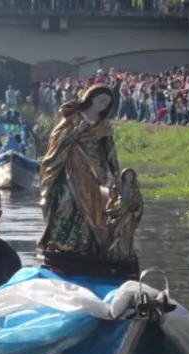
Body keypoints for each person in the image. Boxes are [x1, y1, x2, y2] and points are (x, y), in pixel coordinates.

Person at [37, 84, 120, 260]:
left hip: (91, 173)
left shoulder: (103, 126)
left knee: (89, 208)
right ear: (90, 99)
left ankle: (84, 246)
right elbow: (57, 140)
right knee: (66, 203)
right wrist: (78, 131)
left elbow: (110, 152)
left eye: (107, 103)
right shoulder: (73, 118)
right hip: (68, 170)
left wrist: (116, 174)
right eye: (101, 100)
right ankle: (60, 243)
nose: (103, 105)